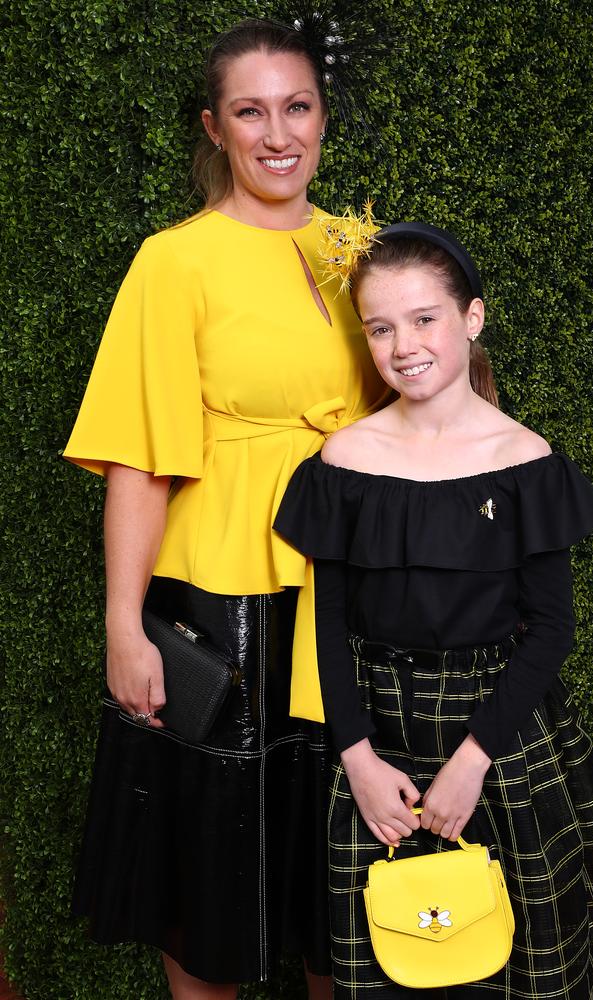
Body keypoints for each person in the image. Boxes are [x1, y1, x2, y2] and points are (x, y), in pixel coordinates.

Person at [63, 18, 390, 1000]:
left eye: (296, 106)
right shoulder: (175, 262)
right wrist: (125, 623)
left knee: (336, 877)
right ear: (215, 127)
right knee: (209, 878)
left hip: (346, 600)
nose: (276, 131)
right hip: (220, 605)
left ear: (323, 119)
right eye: (250, 110)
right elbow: (136, 457)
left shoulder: (361, 252)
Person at [274, 222, 593, 998]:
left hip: (501, 739)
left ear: (471, 319)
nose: (402, 345)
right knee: (390, 959)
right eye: (379, 327)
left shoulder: (526, 462)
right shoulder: (343, 461)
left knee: (519, 962)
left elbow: (551, 631)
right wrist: (357, 759)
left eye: (424, 319)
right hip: (376, 738)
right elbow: (331, 624)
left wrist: (472, 763)